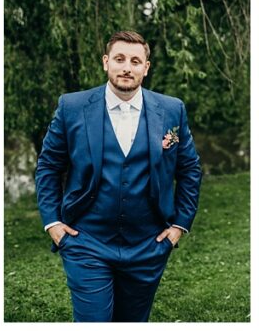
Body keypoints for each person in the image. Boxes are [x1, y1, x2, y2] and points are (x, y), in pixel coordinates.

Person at [35, 30, 203, 322]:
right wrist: (53, 224)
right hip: (86, 241)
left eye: (136, 61)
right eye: (120, 58)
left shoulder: (172, 109)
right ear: (106, 62)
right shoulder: (72, 107)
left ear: (146, 68)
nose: (127, 67)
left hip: (148, 244)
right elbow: (49, 165)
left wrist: (178, 227)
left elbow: (189, 169)